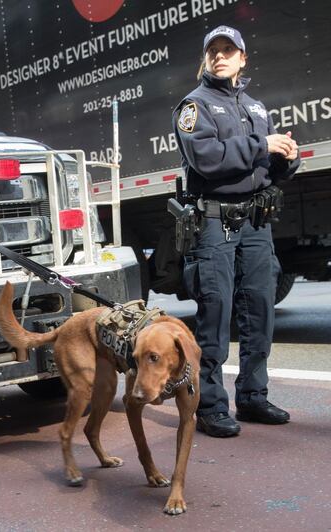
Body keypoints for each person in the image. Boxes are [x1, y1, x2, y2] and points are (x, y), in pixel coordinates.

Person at [173, 25, 300, 438]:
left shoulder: (256, 108)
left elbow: (264, 170)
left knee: (260, 308)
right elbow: (207, 161)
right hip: (213, 221)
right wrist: (262, 146)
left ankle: (252, 396)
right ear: (206, 58)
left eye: (229, 50)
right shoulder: (194, 106)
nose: (221, 56)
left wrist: (286, 159)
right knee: (216, 313)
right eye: (214, 50)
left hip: (256, 223)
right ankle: (209, 405)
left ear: (243, 58)